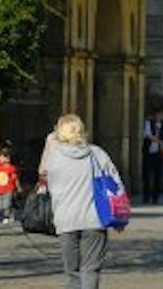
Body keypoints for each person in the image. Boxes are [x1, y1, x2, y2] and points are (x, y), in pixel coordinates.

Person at [40, 113, 125, 289]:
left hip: (66, 221)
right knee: (91, 270)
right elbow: (116, 185)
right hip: (94, 220)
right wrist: (119, 216)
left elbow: (45, 179)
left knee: (72, 272)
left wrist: (49, 145)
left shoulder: (54, 158)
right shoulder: (97, 154)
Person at [140, 108, 163, 205]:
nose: (159, 116)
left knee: (158, 176)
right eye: (158, 114)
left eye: (161, 115)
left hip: (159, 154)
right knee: (147, 175)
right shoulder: (148, 123)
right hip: (149, 153)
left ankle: (155, 197)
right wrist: (160, 142)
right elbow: (148, 135)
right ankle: (146, 196)